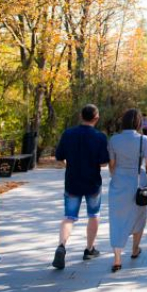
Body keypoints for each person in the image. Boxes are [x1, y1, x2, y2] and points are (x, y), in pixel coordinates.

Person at [52, 104, 110, 270]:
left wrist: (70, 164)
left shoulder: (68, 134)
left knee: (69, 217)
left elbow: (59, 156)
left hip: (72, 181)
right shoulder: (100, 137)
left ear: (81, 116)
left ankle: (61, 246)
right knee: (93, 215)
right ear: (96, 118)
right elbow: (104, 162)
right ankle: (89, 249)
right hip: (92, 182)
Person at [108, 109, 147, 272]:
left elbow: (112, 164)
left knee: (116, 220)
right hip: (137, 183)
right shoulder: (144, 140)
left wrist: (116, 176)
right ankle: (135, 249)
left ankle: (117, 259)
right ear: (138, 123)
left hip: (118, 182)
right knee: (138, 217)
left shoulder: (114, 139)